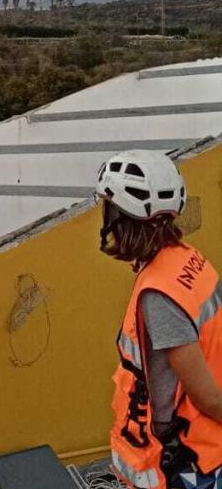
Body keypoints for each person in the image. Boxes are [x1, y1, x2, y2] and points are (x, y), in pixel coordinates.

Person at [97, 151, 222, 489]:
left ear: (120, 216)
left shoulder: (159, 295)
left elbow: (207, 397)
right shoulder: (188, 258)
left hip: (194, 454)